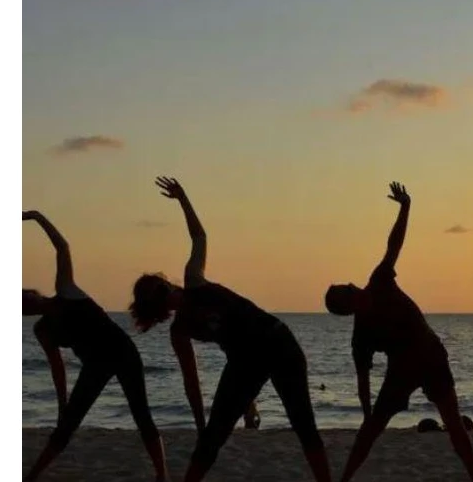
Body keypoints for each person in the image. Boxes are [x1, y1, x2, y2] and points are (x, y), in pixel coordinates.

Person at [129, 177, 331, 482]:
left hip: (278, 342)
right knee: (210, 441)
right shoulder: (180, 330)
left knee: (305, 426)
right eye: (158, 295)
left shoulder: (194, 280)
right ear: (159, 308)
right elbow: (192, 383)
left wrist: (183, 198)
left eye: (162, 285)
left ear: (168, 282)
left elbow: (199, 237)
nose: (166, 290)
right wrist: (200, 426)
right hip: (245, 363)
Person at [324, 182, 473, 482]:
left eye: (347, 285)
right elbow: (363, 380)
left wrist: (406, 207)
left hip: (431, 355)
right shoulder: (361, 335)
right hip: (401, 371)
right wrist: (369, 415)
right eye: (346, 292)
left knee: (455, 424)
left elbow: (393, 245)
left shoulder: (379, 279)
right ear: (349, 307)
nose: (352, 286)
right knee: (368, 433)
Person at [23, 211, 169, 482]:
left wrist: (36, 217)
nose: (28, 299)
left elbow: (62, 246)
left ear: (34, 291)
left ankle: (163, 476)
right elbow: (57, 368)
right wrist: (62, 404)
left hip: (122, 352)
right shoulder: (42, 329)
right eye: (23, 303)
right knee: (67, 425)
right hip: (96, 365)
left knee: (142, 414)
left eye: (25, 294)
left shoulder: (66, 289)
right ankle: (32, 477)